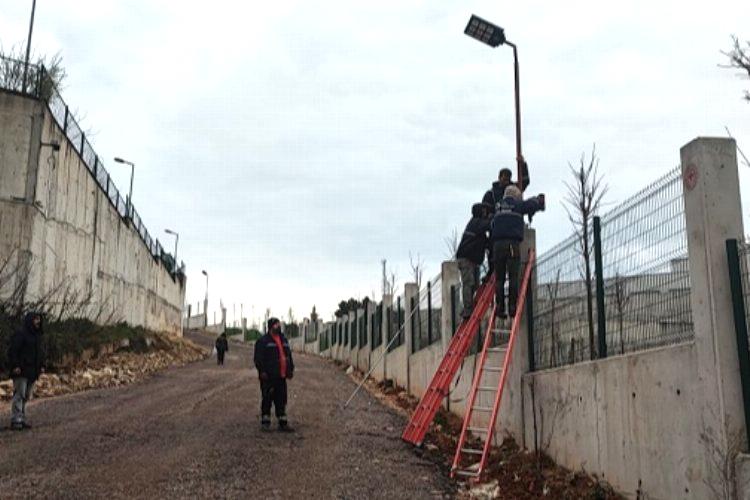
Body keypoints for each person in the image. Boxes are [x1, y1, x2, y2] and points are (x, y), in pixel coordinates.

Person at [491, 185, 545, 321]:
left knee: (500, 279)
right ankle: (512, 307)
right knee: (513, 277)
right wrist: (538, 200)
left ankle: (499, 307)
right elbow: (531, 205)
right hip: (512, 245)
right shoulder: (517, 205)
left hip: (497, 246)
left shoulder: (497, 206)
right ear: (516, 195)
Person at [254, 318, 295, 432]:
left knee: (281, 399)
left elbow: (288, 356)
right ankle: (265, 422)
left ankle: (282, 422)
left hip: (281, 376)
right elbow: (258, 358)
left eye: (279, 324)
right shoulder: (263, 341)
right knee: (267, 398)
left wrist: (290, 369)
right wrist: (262, 371)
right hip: (268, 376)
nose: (279, 326)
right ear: (271, 326)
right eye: (277, 325)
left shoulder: (284, 340)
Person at [7, 312, 46, 431]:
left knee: (26, 396)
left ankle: (21, 418)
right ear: (30, 320)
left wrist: (41, 366)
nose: (38, 322)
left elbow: (40, 353)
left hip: (32, 372)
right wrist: (15, 366)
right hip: (21, 371)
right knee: (19, 394)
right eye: (36, 319)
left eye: (39, 319)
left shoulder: (37, 336)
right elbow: (13, 351)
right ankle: (16, 420)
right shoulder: (21, 334)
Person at [455, 202, 493, 318]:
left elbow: (486, 243)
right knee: (468, 284)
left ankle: (468, 307)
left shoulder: (476, 227)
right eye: (485, 211)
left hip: (471, 260)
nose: (486, 213)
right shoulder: (476, 223)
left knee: (474, 285)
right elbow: (489, 225)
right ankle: (467, 309)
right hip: (465, 259)